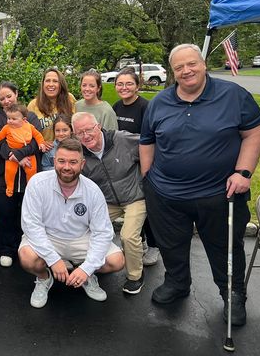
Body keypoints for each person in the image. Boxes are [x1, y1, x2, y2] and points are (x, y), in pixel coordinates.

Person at [140, 43, 260, 326]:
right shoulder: (160, 102)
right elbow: (147, 141)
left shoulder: (233, 95)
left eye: (191, 64)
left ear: (203, 64)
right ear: (173, 72)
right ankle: (177, 283)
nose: (187, 71)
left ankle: (232, 294)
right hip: (166, 194)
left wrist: (244, 172)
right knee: (171, 246)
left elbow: (256, 129)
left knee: (224, 248)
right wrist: (149, 179)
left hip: (219, 193)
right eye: (179, 67)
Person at [19, 138, 124, 308]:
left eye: (73, 162)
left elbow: (102, 232)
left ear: (82, 164)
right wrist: (53, 260)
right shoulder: (37, 183)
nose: (66, 167)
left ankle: (86, 276)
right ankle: (44, 278)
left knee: (117, 260)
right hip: (49, 237)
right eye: (61, 161)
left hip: (81, 238)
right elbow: (31, 225)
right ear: (54, 161)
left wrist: (88, 268)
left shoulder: (92, 191)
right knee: (27, 258)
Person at [72, 112, 146, 295]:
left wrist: (149, 178)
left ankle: (136, 276)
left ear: (98, 126)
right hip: (107, 201)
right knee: (83, 227)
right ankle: (92, 263)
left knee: (128, 236)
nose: (86, 136)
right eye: (80, 133)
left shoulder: (122, 139)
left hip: (135, 197)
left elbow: (150, 146)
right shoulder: (80, 153)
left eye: (89, 129)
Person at [0, 82, 42, 268]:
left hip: (28, 174)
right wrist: (16, 158)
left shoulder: (30, 116)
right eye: (2, 98)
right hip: (3, 175)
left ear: (16, 94)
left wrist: (19, 155)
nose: (6, 100)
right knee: (6, 213)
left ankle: (28, 249)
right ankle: (7, 249)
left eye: (9, 96)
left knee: (27, 213)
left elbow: (37, 141)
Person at [112, 67, 159, 267]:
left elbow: (152, 138)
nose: (124, 87)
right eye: (120, 84)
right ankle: (139, 244)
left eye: (129, 83)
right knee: (133, 207)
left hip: (144, 164)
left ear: (137, 86)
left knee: (146, 207)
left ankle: (154, 245)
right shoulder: (116, 107)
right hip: (125, 166)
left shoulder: (145, 107)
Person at [0, 103, 47, 197]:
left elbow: (37, 135)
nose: (10, 121)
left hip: (29, 155)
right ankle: (9, 187)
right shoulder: (6, 128)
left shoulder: (29, 126)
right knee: (9, 171)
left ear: (24, 119)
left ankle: (30, 188)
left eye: (14, 119)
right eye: (9, 118)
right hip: (11, 155)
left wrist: (41, 143)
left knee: (32, 170)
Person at [27, 67, 76, 146]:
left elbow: (76, 126)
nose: (51, 84)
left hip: (68, 148)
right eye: (47, 81)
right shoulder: (33, 105)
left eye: (55, 81)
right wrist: (41, 142)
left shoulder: (69, 99)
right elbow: (27, 133)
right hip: (44, 153)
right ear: (43, 84)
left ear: (61, 84)